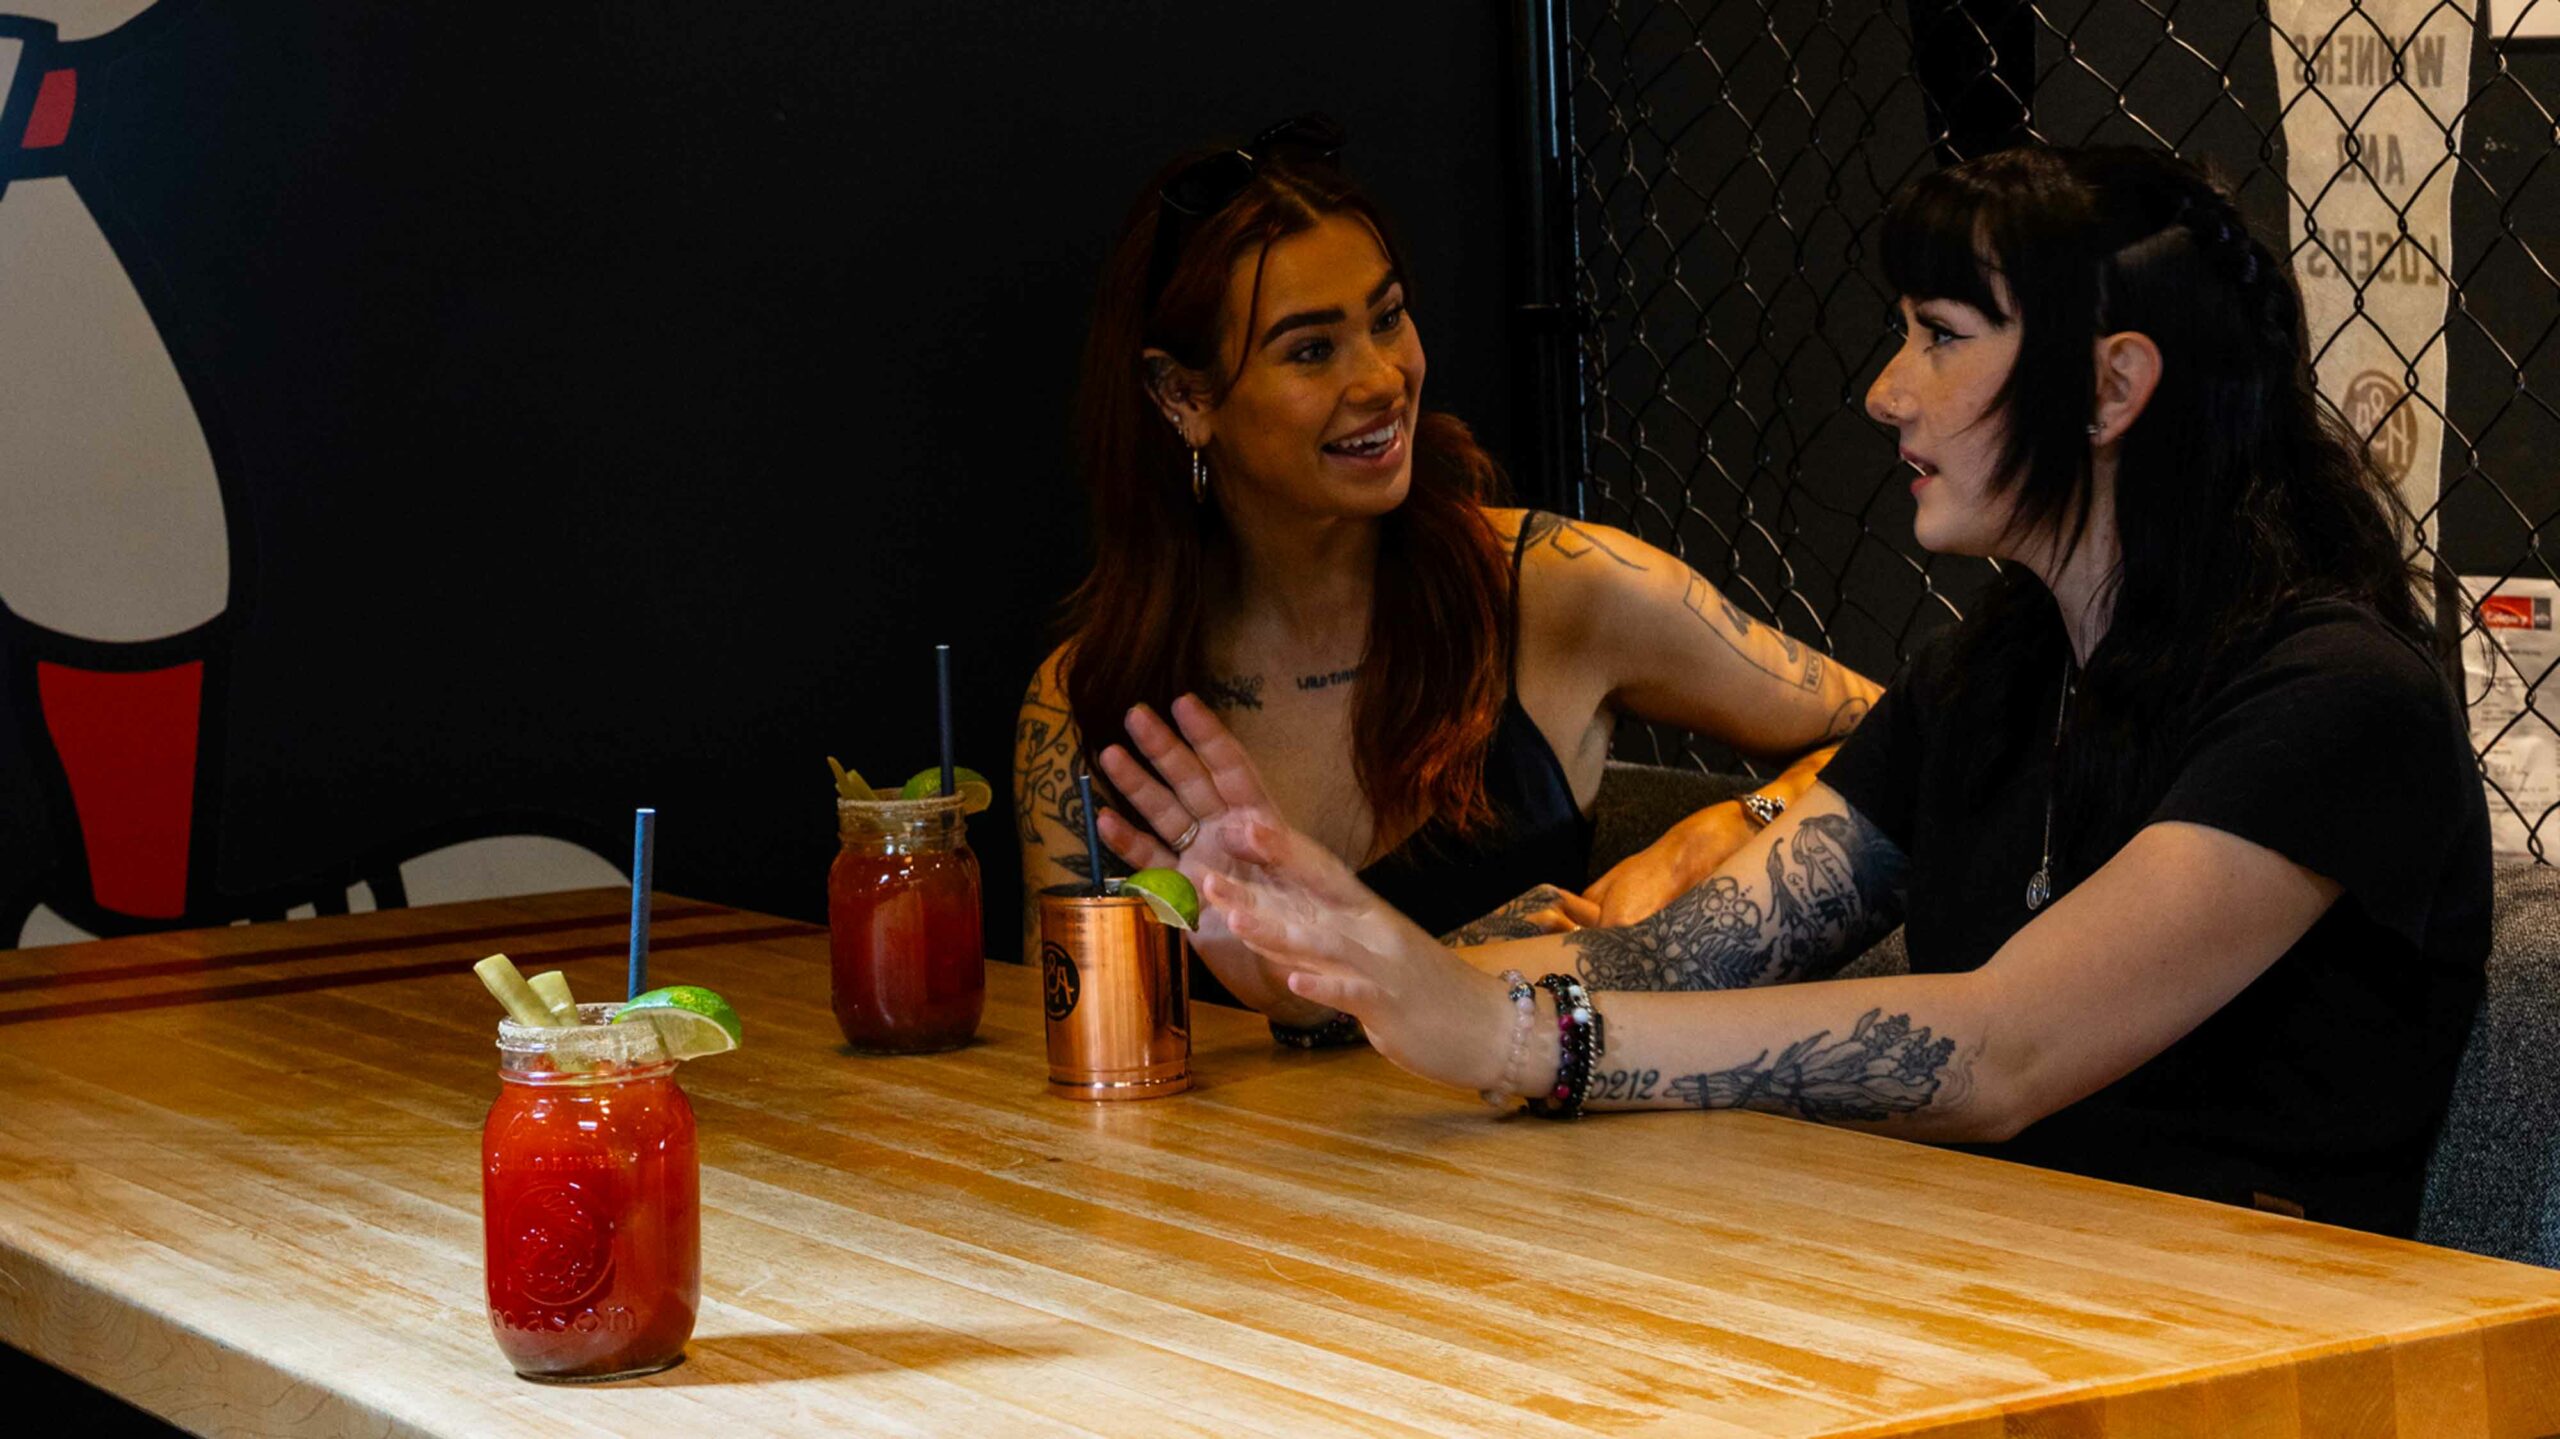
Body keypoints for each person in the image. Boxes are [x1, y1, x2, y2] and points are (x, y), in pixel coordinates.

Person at [1094, 144, 2490, 1239]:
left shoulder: (2336, 696)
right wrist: (1356, 963)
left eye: (1941, 336)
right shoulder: (1996, 669)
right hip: (1984, 1297)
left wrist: (1514, 1036)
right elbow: (1692, 957)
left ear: (2111, 386)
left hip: (2264, 1357)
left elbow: (1996, 1049)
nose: (1889, 392)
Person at [1016, 115, 1879, 1038]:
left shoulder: (1554, 588)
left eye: (1388, 318)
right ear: (1181, 396)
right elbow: (1070, 1062)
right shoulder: (1086, 705)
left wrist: (1733, 825)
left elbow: (1921, 734)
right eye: (1312, 349)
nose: (1384, 377)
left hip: (1562, 1176)